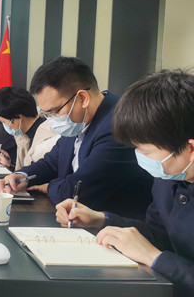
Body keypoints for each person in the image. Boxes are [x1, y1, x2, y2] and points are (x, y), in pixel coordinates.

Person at [55, 70, 194, 297]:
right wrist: (101, 219)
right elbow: (158, 234)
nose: (140, 157)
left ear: (190, 149)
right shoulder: (168, 179)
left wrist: (155, 258)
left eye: (145, 151)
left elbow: (156, 251)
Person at [0, 57, 152, 219]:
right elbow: (53, 161)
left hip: (115, 225)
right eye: (46, 114)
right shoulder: (79, 120)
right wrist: (23, 176)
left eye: (55, 112)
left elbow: (74, 193)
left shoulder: (118, 125)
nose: (52, 119)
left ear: (83, 98)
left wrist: (49, 186)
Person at [0, 86, 59, 171]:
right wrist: (10, 165)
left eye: (4, 122)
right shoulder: (23, 135)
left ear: (19, 117)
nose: (5, 126)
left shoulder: (46, 138)